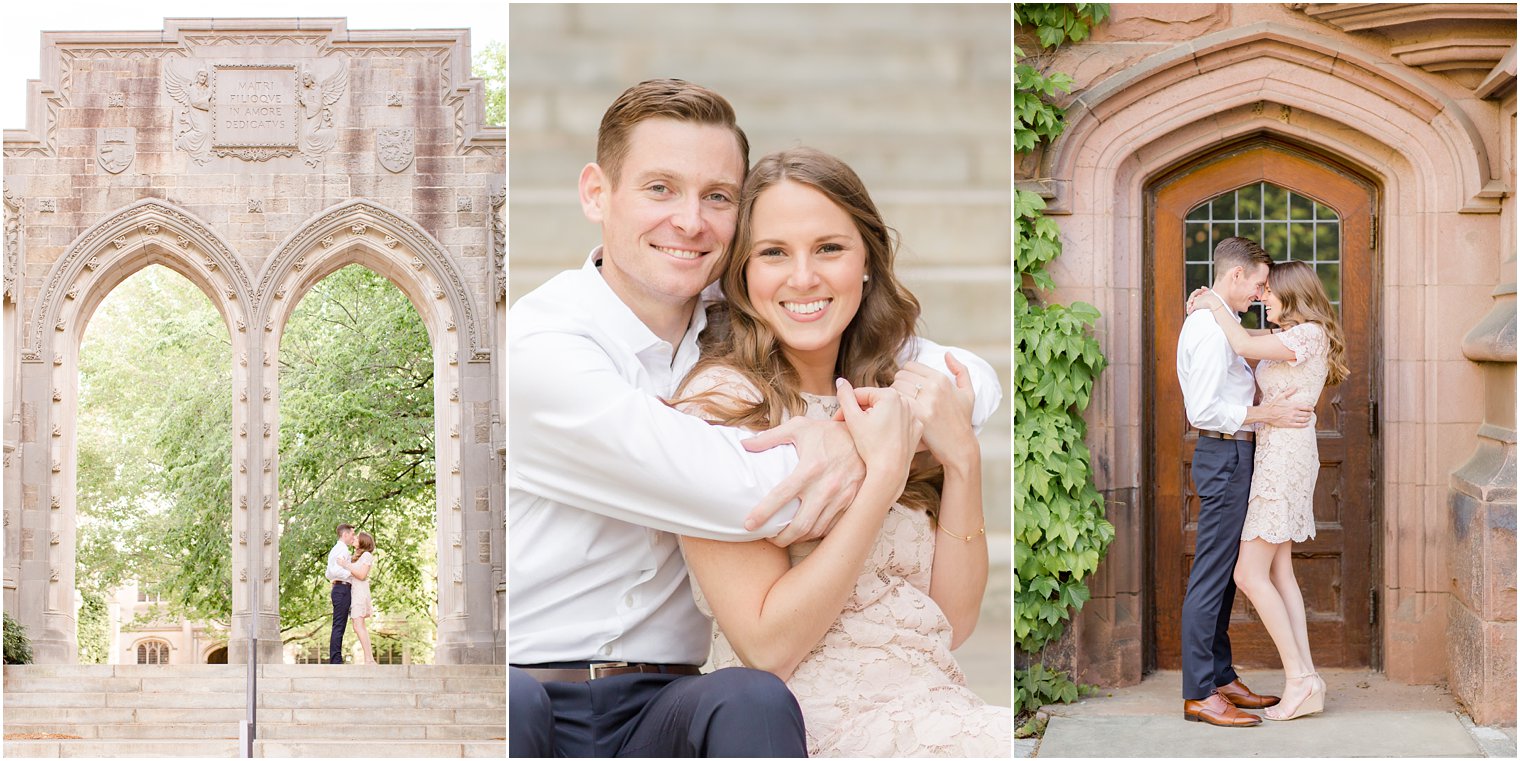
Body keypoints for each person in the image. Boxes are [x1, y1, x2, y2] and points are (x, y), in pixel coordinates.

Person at [508, 79, 1001, 757]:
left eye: (717, 197)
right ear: (597, 192)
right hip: (530, 677)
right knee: (504, 702)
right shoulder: (542, 345)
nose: (689, 222)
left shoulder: (734, 304)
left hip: (665, 695)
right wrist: (867, 445)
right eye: (660, 189)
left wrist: (947, 425)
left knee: (749, 697)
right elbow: (727, 483)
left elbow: (961, 371)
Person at [672, 147, 1011, 756]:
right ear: (742, 274)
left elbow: (952, 623)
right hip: (807, 722)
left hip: (934, 704)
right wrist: (881, 477)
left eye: (829, 248)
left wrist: (962, 461)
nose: (803, 277)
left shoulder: (885, 392)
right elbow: (767, 648)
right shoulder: (721, 405)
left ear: (867, 264)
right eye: (774, 253)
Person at [1188, 259, 1347, 721]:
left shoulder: (1308, 333)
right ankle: (1308, 679)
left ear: (1293, 294)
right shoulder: (1295, 337)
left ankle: (1299, 679)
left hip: (1283, 460)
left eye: (1268, 292)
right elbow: (1238, 363)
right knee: (1279, 573)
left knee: (1248, 575)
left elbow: (1239, 343)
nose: (1262, 298)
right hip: (1277, 452)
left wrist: (1213, 304)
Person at [1174, 237, 1314, 727]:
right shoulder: (1210, 331)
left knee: (1229, 572)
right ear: (1235, 276)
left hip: (1237, 452)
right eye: (1257, 283)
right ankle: (1199, 693)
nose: (1260, 293)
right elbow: (1204, 410)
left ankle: (1220, 676)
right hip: (1224, 450)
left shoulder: (1224, 324)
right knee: (1213, 575)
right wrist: (1266, 412)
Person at [338, 531, 377, 666]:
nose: (354, 538)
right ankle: (369, 659)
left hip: (360, 593)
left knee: (359, 625)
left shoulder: (366, 555)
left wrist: (345, 565)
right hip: (353, 592)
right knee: (357, 626)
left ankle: (369, 659)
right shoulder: (356, 557)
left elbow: (362, 575)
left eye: (357, 538)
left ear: (363, 542)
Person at [324, 523, 358, 664]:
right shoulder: (341, 549)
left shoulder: (336, 549)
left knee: (339, 624)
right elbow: (335, 572)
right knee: (339, 625)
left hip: (339, 589)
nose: (353, 537)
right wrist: (352, 573)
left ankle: (336, 658)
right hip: (342, 589)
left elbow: (328, 573)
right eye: (352, 534)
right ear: (345, 534)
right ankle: (336, 660)